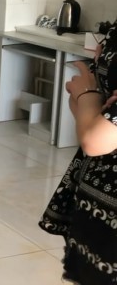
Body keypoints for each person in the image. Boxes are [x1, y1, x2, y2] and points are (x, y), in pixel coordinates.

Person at [40, 25, 117, 284]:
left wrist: (88, 98)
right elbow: (85, 108)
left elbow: (96, 138)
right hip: (95, 196)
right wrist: (89, 101)